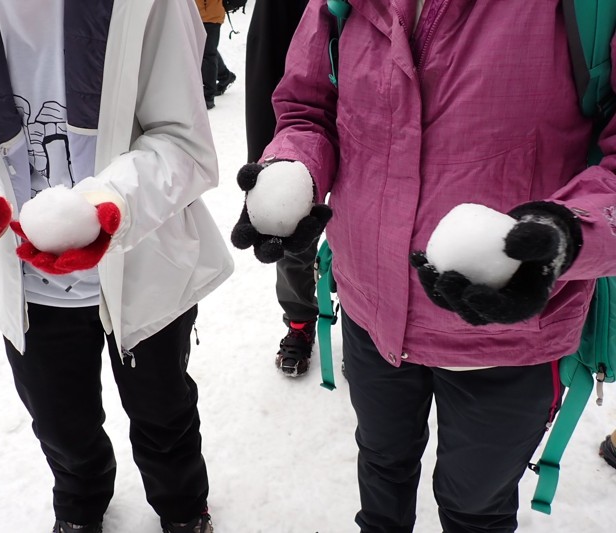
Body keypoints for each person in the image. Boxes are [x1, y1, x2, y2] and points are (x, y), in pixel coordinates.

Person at [232, 1, 616, 531]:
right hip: (373, 316)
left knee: (475, 511)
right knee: (382, 477)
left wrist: (565, 237)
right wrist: (295, 166)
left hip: (509, 338)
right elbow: (308, 107)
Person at [0, 1, 233, 532]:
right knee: (61, 424)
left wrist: (113, 205)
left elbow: (183, 141)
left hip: (143, 264)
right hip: (25, 281)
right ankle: (80, 506)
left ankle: (182, 509)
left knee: (163, 410)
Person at [245, 0, 314, 377]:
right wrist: (263, 161)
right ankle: (300, 320)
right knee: (291, 222)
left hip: (377, 120)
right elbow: (265, 56)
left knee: (370, 231)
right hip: (297, 120)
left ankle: (364, 327)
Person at [196, 0, 237, 110]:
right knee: (206, 49)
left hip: (209, 15)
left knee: (208, 54)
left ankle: (208, 96)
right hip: (195, 14)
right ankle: (225, 75)